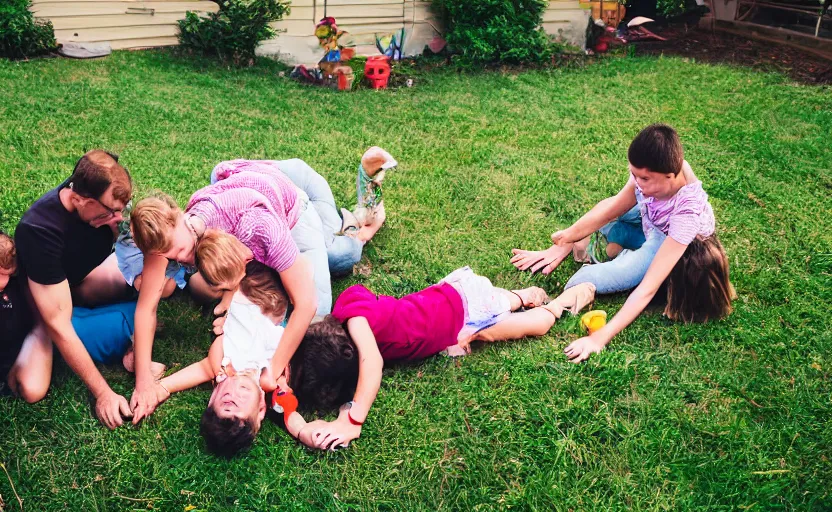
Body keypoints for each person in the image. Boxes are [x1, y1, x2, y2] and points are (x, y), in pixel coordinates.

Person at [124, 149, 394, 424]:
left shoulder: (259, 228)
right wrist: (144, 382)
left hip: (291, 196)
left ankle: (360, 220)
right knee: (203, 288)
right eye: (171, 257)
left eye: (181, 250)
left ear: (180, 216)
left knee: (339, 264)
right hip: (247, 183)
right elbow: (146, 308)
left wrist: (274, 368)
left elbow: (306, 303)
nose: (180, 259)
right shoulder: (163, 238)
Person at [284, 267, 597, 450]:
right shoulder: (347, 306)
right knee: (495, 312)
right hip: (447, 294)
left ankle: (559, 302)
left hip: (467, 309)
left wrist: (352, 420)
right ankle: (518, 296)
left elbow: (373, 365)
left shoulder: (360, 330)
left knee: (534, 325)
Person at [510, 124, 733, 363]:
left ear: (671, 175)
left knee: (582, 281)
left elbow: (647, 288)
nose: (637, 182)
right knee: (615, 214)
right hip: (651, 218)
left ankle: (622, 251)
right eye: (634, 174)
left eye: (645, 178)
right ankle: (602, 245)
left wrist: (599, 338)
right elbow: (613, 207)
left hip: (670, 244)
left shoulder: (686, 215)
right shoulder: (656, 170)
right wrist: (567, 237)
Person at [14, 150, 139, 428]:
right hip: (40, 308)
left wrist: (114, 224)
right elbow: (57, 323)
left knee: (145, 286)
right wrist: (104, 393)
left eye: (123, 207)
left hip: (75, 284)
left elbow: (128, 244)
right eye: (110, 211)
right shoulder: (39, 230)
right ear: (79, 199)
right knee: (33, 388)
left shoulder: (97, 202)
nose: (118, 215)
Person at [148, 260, 300, 457]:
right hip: (276, 286)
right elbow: (291, 413)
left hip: (244, 276)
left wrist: (163, 387)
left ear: (213, 397)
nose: (236, 393)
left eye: (227, 400)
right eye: (241, 403)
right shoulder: (272, 379)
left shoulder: (222, 365)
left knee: (212, 272)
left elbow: (203, 369)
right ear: (261, 409)